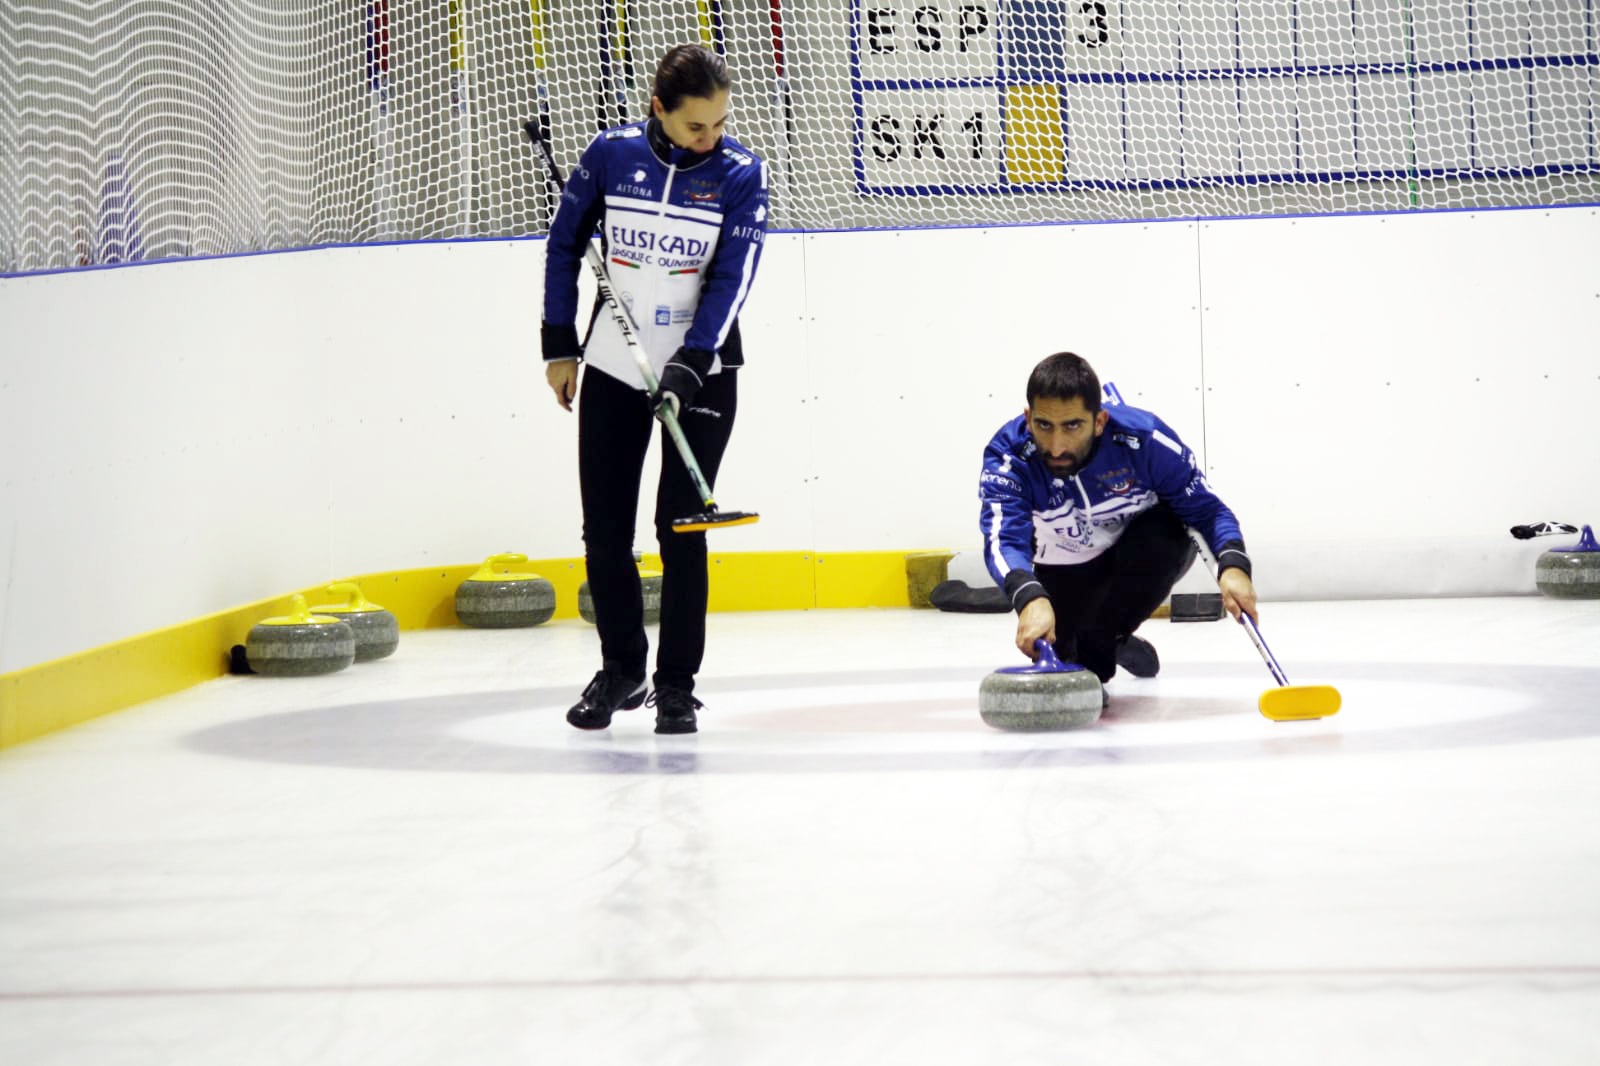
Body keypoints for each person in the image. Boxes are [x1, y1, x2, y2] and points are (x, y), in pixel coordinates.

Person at [541, 43, 768, 735]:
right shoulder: (611, 157)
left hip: (700, 374)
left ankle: (676, 685)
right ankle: (620, 670)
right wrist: (557, 346)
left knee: (682, 529)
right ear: (658, 108)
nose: (712, 137)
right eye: (698, 125)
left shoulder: (740, 175)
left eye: (721, 123)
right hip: (613, 363)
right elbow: (562, 246)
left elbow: (734, 279)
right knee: (605, 532)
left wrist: (692, 362)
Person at [978, 351, 1258, 692]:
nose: (1055, 446)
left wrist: (1233, 566)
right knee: (1069, 665)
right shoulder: (1008, 456)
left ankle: (1108, 634)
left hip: (1133, 554)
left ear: (1099, 421)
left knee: (1167, 530)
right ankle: (1109, 640)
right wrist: (1030, 598)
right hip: (1064, 565)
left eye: (1072, 426)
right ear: (1028, 417)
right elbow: (1001, 539)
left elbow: (1207, 510)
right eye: (1043, 426)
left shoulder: (1145, 440)